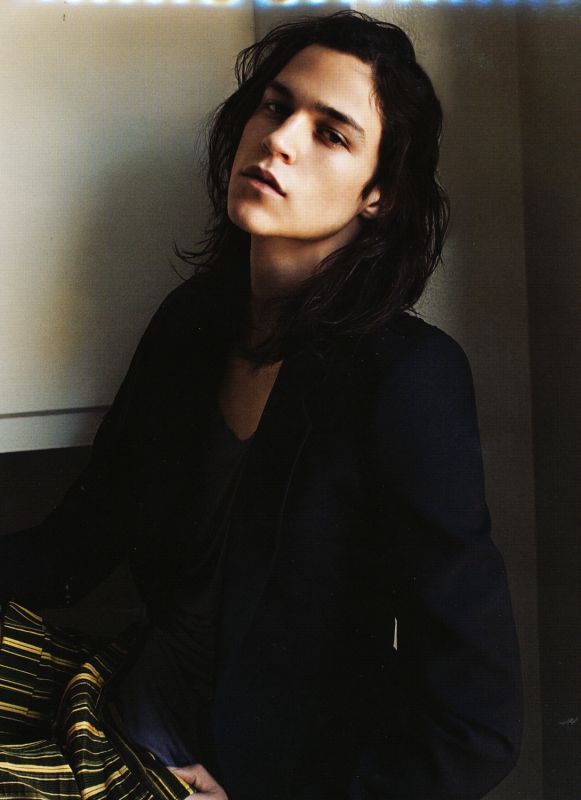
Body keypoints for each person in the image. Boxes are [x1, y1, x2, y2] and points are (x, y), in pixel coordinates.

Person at [0, 10, 523, 800]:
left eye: (330, 134)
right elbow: (77, 543)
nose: (279, 139)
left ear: (378, 193)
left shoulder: (408, 377)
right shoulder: (191, 322)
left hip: (237, 778)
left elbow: (477, 724)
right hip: (117, 705)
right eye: (275, 106)